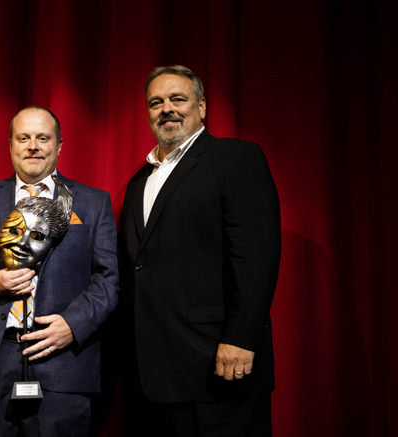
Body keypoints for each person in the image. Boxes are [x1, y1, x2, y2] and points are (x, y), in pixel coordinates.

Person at [0, 106, 119, 436]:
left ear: (59, 146)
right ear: (10, 146)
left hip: (62, 360)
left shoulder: (92, 202)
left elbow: (108, 279)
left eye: (43, 138)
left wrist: (73, 324)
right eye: (24, 138)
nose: (33, 146)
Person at [118, 65, 281, 436]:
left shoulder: (236, 159)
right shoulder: (138, 181)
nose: (167, 109)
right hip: (150, 378)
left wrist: (241, 338)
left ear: (202, 106)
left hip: (217, 367)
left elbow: (256, 257)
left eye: (178, 98)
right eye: (156, 102)